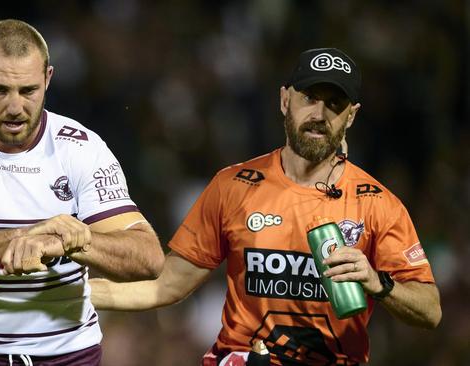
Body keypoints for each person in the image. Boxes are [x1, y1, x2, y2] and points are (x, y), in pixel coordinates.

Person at [90, 48, 441, 365]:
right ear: (285, 100)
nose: (320, 114)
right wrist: (77, 293)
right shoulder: (233, 186)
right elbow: (165, 285)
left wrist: (378, 283)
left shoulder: (379, 204)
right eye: (310, 98)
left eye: (335, 103)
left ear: (351, 116)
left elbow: (430, 310)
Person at [0, 19, 164, 366]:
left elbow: (148, 257)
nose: (16, 107)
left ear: (48, 79)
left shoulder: (81, 148)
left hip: (71, 356)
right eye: (0, 90)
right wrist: (22, 238)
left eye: (28, 90)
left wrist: (72, 242)